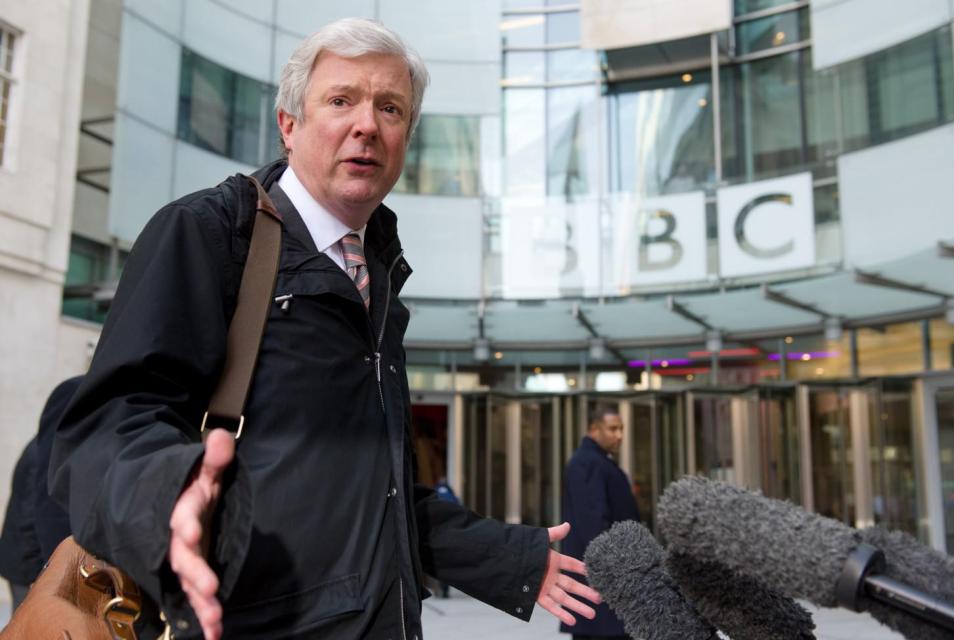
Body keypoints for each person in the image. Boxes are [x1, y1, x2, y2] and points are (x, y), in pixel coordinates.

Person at [49, 18, 600, 640]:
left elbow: (368, 493)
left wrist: (508, 559)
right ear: (290, 125)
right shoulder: (208, 234)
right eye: (341, 100)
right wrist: (165, 498)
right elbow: (104, 429)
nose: (367, 124)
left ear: (405, 137)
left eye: (390, 108)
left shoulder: (380, 273)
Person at [560, 406, 642, 640]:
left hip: (606, 587)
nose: (619, 435)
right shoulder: (587, 462)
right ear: (594, 429)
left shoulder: (597, 461)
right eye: (612, 428)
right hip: (602, 587)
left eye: (621, 429)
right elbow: (593, 524)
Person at [0, 377, 77, 609]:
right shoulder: (46, 455)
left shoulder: (44, 447)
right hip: (28, 565)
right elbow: (35, 512)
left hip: (25, 560)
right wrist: (44, 571)